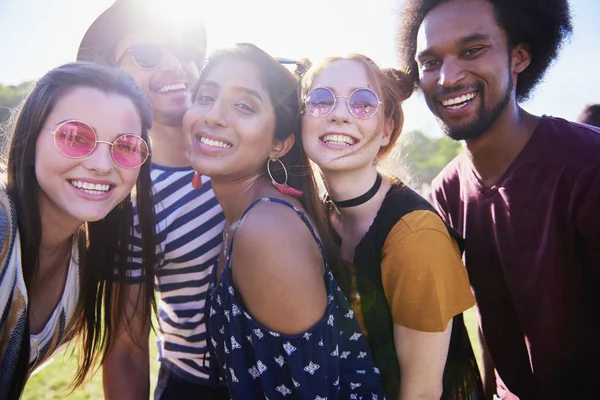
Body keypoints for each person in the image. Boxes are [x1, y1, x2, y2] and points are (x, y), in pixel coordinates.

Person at [397, 0, 600, 398]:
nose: (448, 77)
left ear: (519, 56)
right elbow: (486, 317)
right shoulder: (445, 193)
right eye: (431, 62)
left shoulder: (588, 166)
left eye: (473, 51)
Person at [184, 43, 387, 399]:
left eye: (243, 105)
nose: (213, 116)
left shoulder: (267, 230)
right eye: (205, 97)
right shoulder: (246, 216)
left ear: (280, 144)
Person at [300, 54, 483, 400]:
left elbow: (422, 393)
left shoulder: (415, 237)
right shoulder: (315, 218)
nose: (339, 114)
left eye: (363, 103)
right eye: (321, 100)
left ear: (387, 130)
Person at [77, 1, 226, 398]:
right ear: (113, 76)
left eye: (184, 52)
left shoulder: (253, 150)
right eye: (146, 56)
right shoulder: (129, 195)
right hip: (199, 385)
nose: (173, 66)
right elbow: (126, 348)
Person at [0, 62, 156, 399]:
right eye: (75, 137)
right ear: (30, 138)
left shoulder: (85, 260)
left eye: (126, 146)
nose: (102, 164)